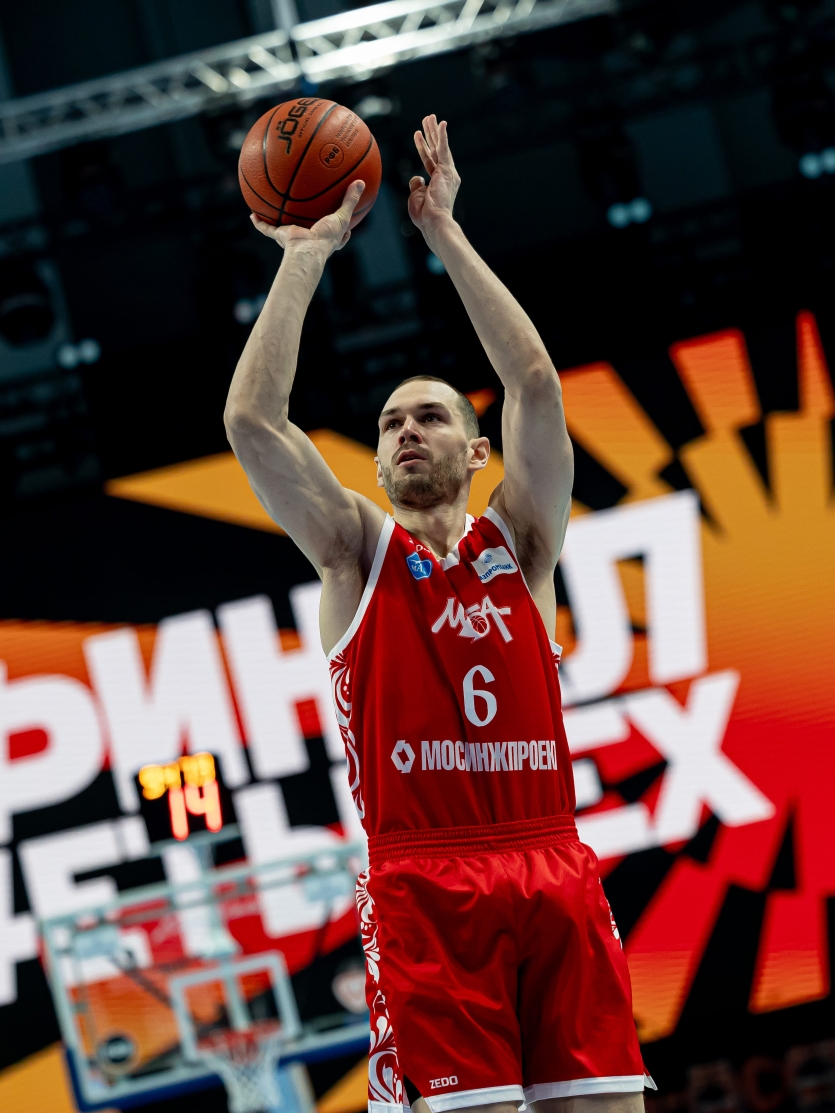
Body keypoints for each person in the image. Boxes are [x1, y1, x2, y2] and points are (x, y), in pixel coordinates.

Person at [225, 113, 652, 1113]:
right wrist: (304, 255)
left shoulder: (524, 544)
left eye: (430, 416)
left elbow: (533, 382)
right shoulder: (354, 549)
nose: (406, 431)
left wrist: (444, 233)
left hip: (550, 861)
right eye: (389, 424)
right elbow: (251, 421)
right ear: (376, 462)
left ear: (476, 450)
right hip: (425, 882)